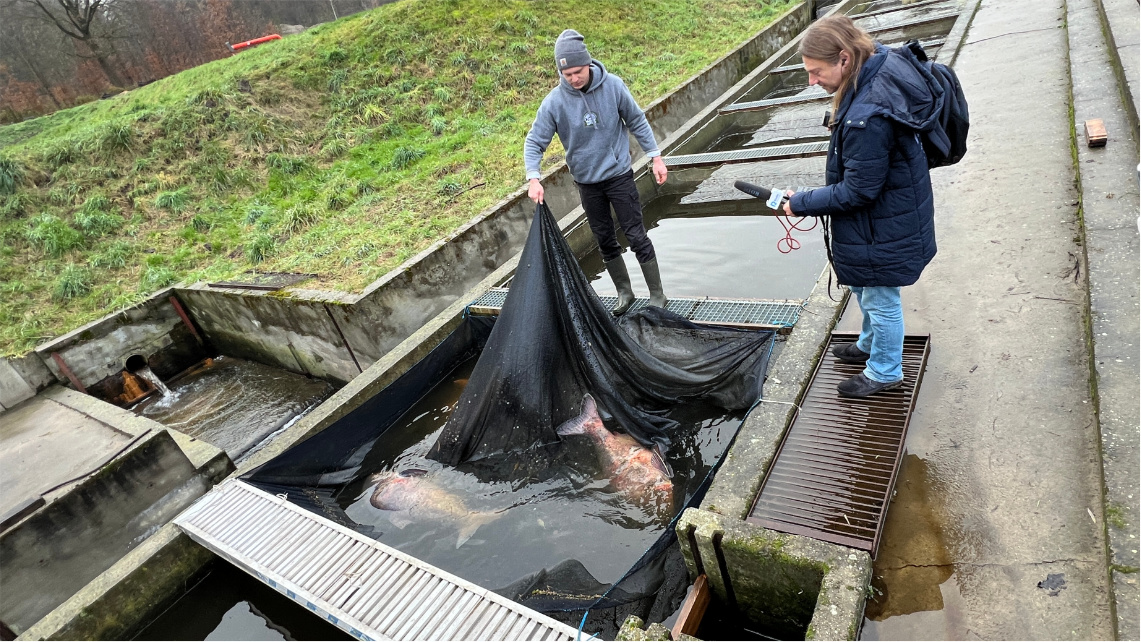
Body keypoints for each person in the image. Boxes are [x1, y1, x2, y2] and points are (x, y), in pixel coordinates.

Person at [781, 16, 939, 398]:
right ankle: (869, 345)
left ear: (845, 59)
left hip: (883, 221)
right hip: (888, 213)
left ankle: (885, 372)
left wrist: (800, 202)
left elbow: (858, 191)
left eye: (817, 71)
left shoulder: (868, 115)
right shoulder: (876, 65)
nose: (812, 81)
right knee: (865, 287)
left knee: (881, 297)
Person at [524, 29, 669, 315]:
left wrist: (656, 157)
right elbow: (535, 141)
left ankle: (657, 295)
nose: (573, 79)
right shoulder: (554, 102)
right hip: (587, 183)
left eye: (577, 72)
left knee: (636, 235)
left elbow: (637, 121)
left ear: (588, 64)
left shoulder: (613, 86)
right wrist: (533, 177)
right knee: (604, 239)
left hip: (618, 176)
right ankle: (624, 293)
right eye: (567, 75)